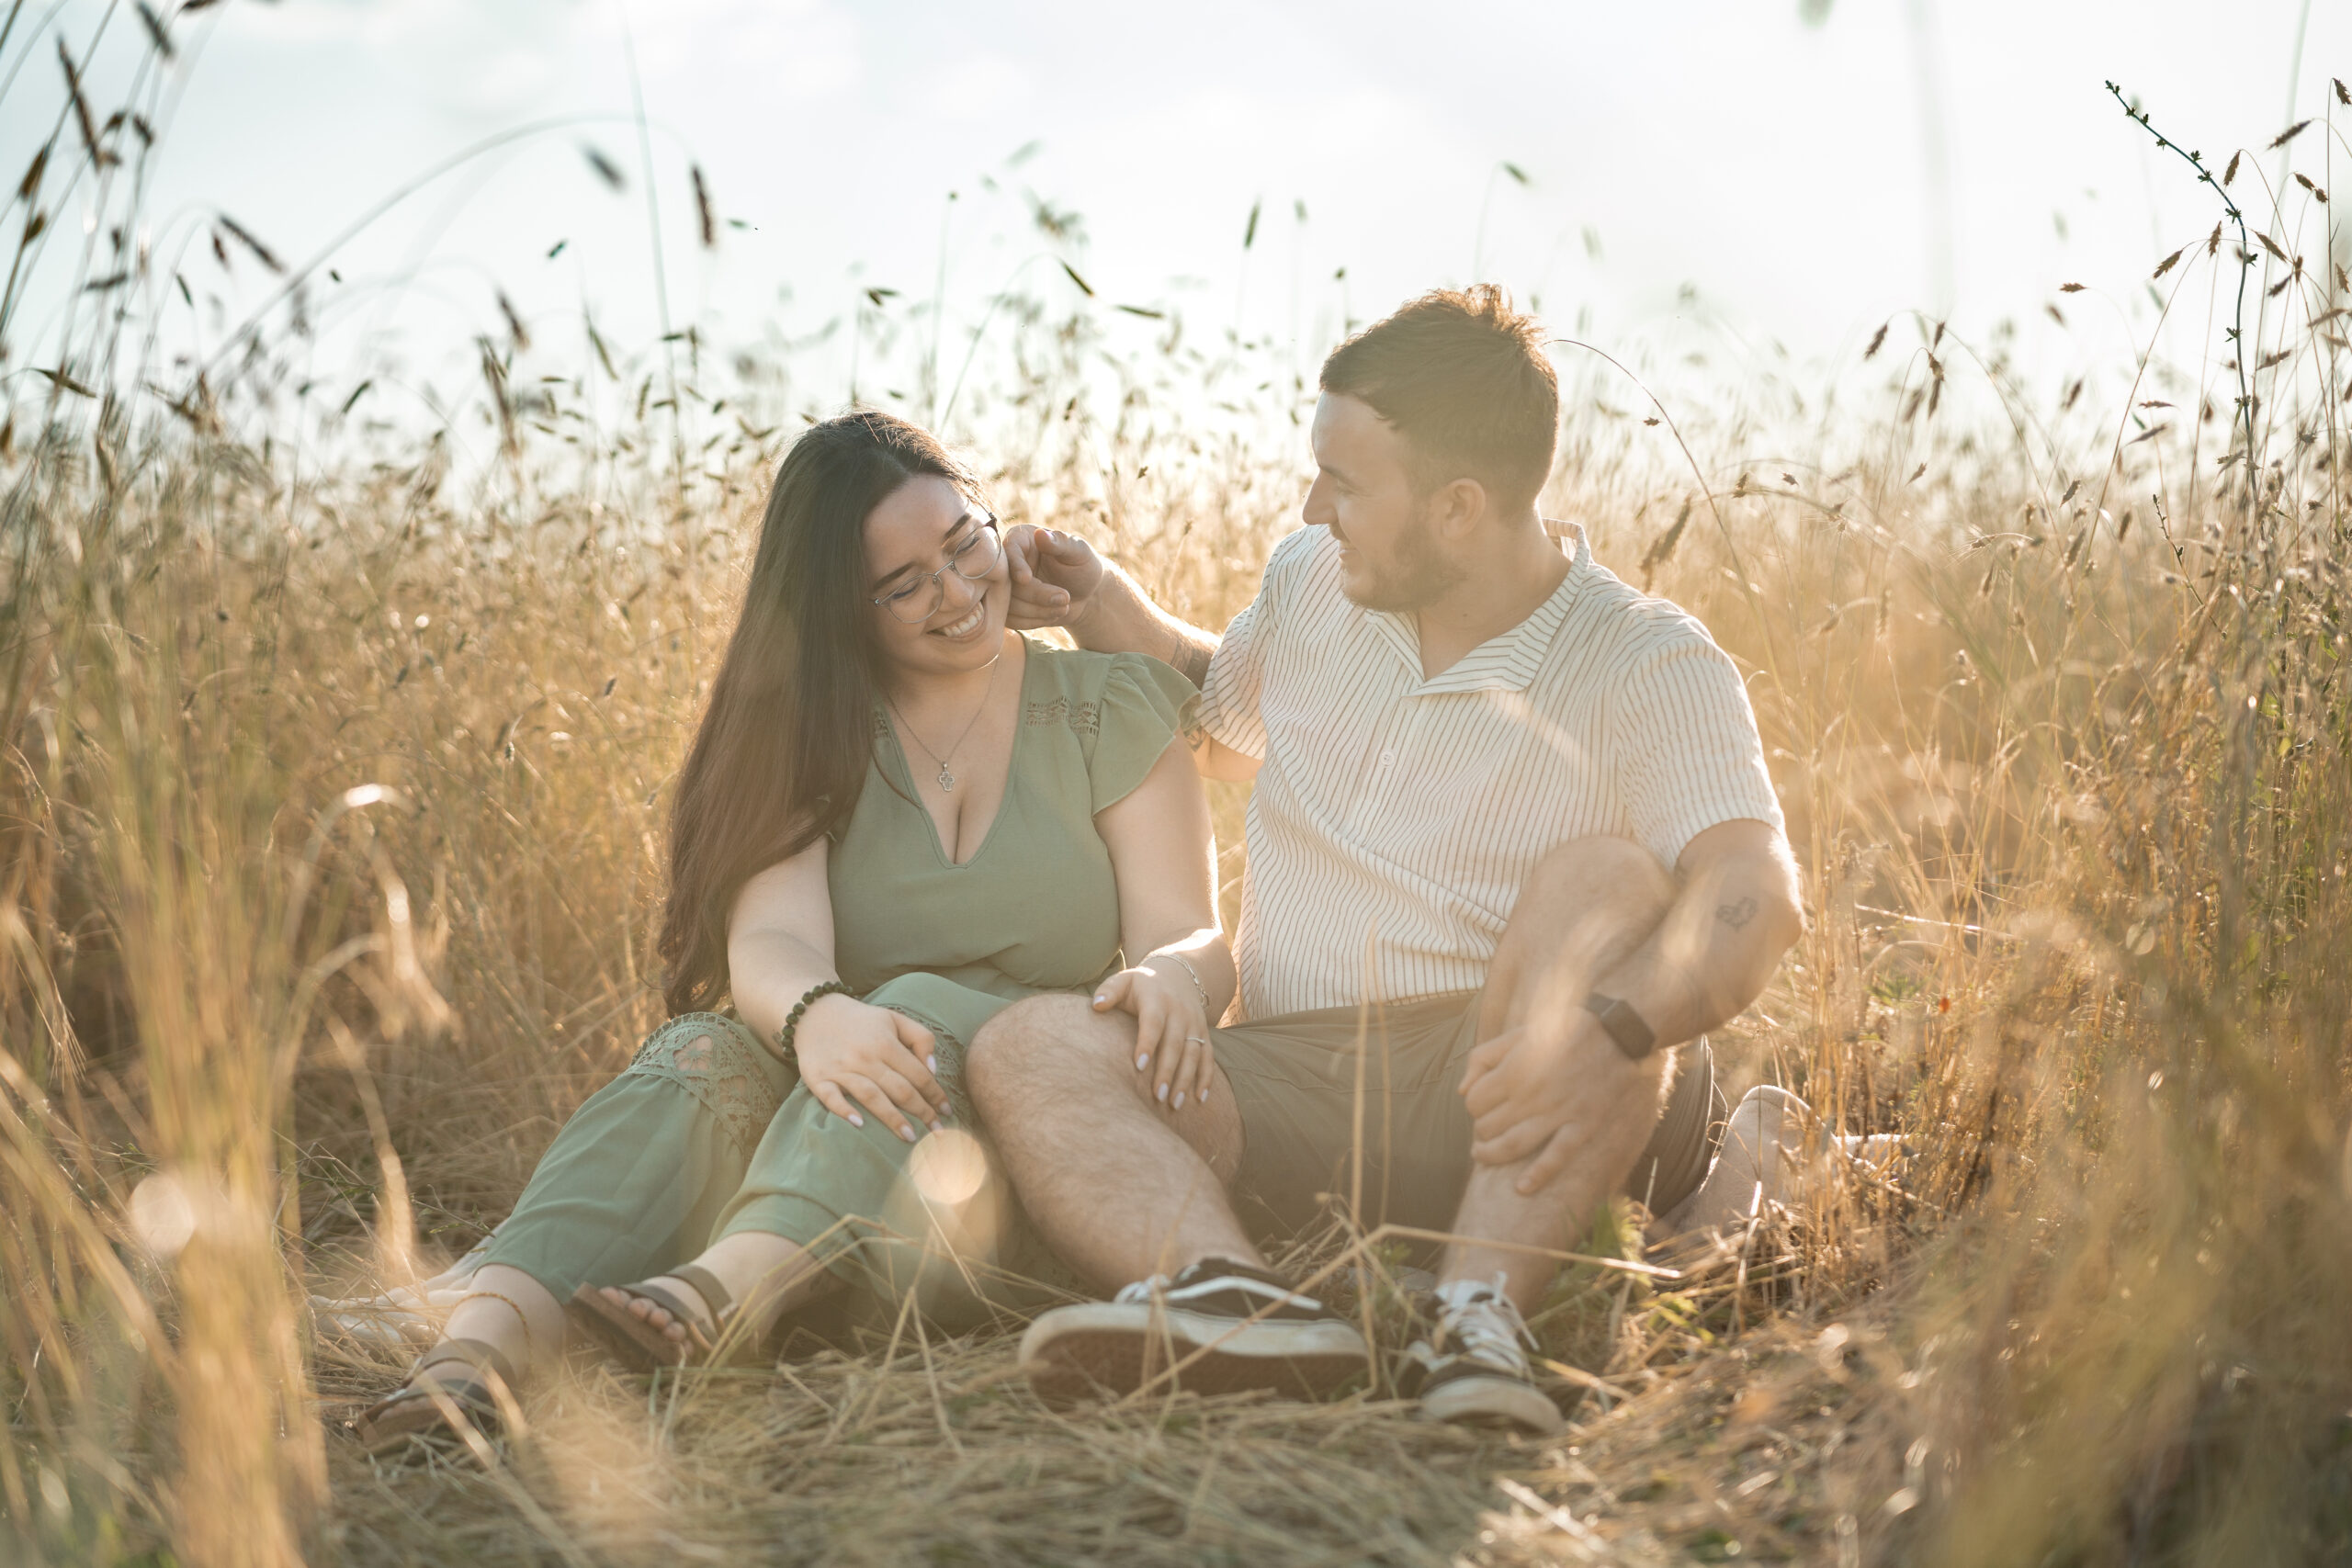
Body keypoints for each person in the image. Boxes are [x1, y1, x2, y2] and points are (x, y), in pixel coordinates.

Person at [972, 286, 1805, 1435]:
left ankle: (1480, 1323)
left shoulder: (1647, 661)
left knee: (1608, 880)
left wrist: (1611, 1028)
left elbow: (1753, 897)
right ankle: (1241, 1301)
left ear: (1459, 507)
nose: (1313, 508)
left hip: (1526, 1075)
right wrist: (1109, 606)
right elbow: (1222, 728)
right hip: (1300, 1082)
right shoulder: (1313, 583)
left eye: (1345, 483)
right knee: (1029, 1045)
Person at [348, 411, 1228, 1452]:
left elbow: (1191, 935)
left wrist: (1176, 975)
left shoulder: (1108, 703)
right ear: (840, 611)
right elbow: (771, 944)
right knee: (703, 1046)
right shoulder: (812, 729)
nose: (955, 593)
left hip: (1008, 1162)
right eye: (903, 585)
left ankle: (718, 1297)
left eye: (966, 544)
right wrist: (816, 1018)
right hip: (851, 1110)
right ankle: (471, 1359)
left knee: (914, 1006)